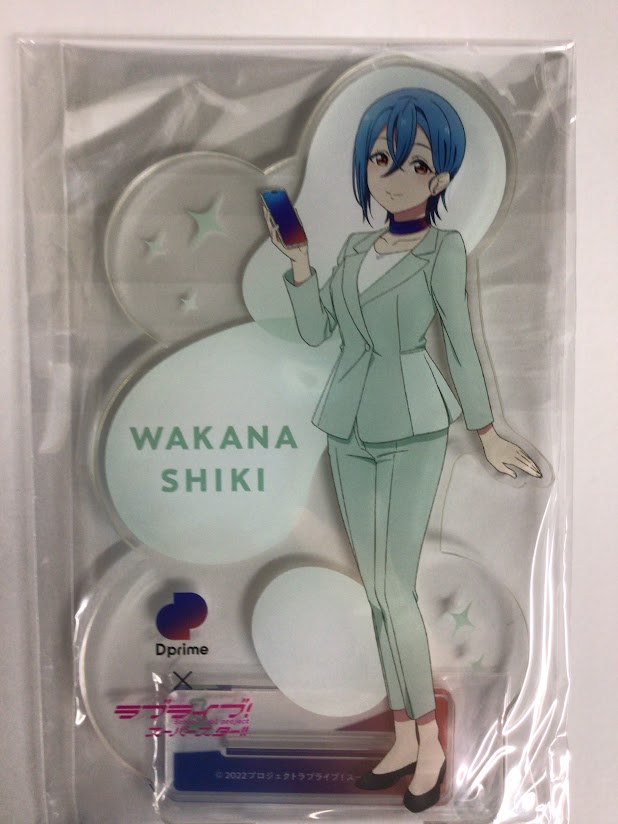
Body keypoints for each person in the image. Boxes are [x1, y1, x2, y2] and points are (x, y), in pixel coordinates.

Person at [263, 87, 540, 814]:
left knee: (395, 589)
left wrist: (486, 428)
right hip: (347, 422)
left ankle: (432, 746)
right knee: (376, 593)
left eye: (415, 163)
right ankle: (405, 737)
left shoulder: (444, 249)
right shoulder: (356, 249)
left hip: (415, 420)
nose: (393, 176)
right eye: (381, 158)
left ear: (440, 176)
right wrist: (299, 263)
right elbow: (318, 330)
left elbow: (461, 342)